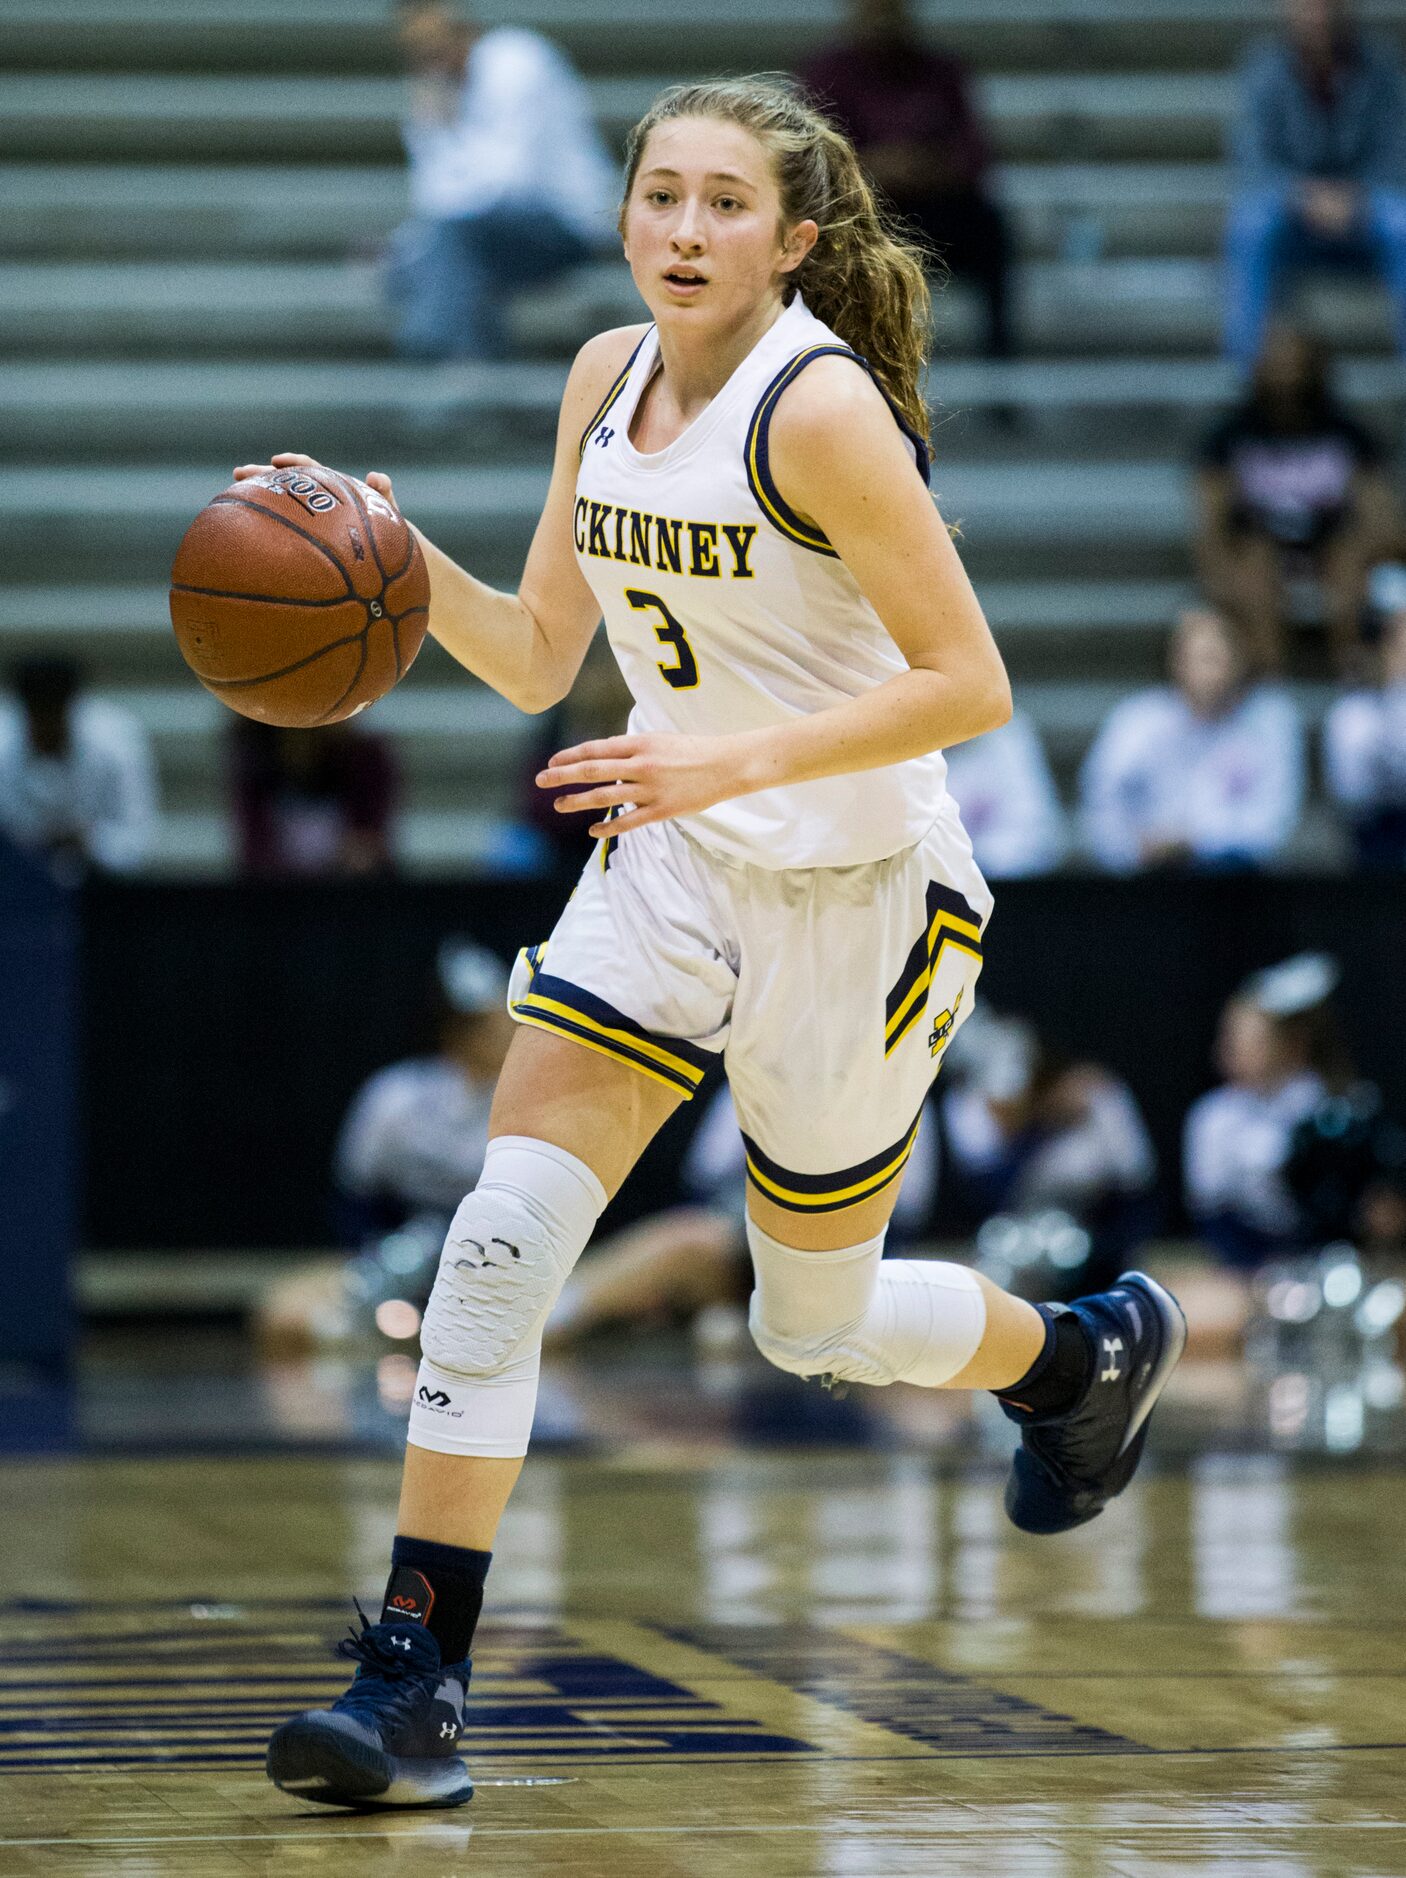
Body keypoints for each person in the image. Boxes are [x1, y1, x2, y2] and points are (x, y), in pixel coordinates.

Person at [237, 75, 1184, 1812]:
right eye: (658, 195)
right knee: (500, 1238)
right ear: (621, 216)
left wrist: (727, 753)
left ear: (795, 239)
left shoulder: (817, 409)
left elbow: (967, 681)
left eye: (724, 204)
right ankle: (413, 1677)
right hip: (668, 863)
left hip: (858, 892)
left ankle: (1078, 1352)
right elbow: (536, 652)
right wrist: (371, 545)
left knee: (808, 1324)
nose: (683, 228)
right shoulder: (602, 376)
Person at [388, 1, 617, 360]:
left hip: (564, 224)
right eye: (420, 51)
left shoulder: (516, 60)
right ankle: (477, 381)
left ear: (462, 26)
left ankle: (431, 358)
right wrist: (434, 125)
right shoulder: (438, 95)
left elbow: (508, 183)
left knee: (445, 253)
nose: (430, 59)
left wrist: (443, 130)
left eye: (436, 44)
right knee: (410, 260)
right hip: (491, 233)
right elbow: (433, 200)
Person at [799, 0, 1014, 357]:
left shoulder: (943, 71)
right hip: (864, 213)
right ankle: (831, 353)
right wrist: (876, 167)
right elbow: (813, 155)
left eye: (891, 8)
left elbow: (974, 154)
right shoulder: (828, 71)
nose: (882, 18)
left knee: (991, 226)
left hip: (939, 208)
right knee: (819, 228)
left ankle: (1001, 359)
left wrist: (923, 167)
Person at [1195, 323, 1400, 671]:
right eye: (1278, 364)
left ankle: (1356, 673)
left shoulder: (1350, 436)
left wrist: (1366, 552)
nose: (1288, 377)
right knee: (1252, 564)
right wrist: (1219, 574)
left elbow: (1384, 524)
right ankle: (1267, 679)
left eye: (1297, 365)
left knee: (1351, 559)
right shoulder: (1228, 438)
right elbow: (1211, 524)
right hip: (1259, 549)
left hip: (1332, 548)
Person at [1224, 0, 1406, 369]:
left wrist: (1358, 198)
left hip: (1364, 215)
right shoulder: (1263, 68)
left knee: (1401, 222)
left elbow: (1396, 152)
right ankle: (1245, 374)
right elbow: (1253, 159)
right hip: (1292, 216)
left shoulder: (1381, 67)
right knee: (1250, 224)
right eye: (1308, 6)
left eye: (1328, 6)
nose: (1319, 17)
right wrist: (1304, 196)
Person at [939, 1010, 1157, 1294]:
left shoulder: (1094, 1095)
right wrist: (1036, 1125)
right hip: (1019, 1241)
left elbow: (1135, 1183)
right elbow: (994, 1198)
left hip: (1095, 1235)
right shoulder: (971, 1111)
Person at [1079, 606, 1305, 872]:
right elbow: (1100, 806)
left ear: (1240, 661)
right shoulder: (1136, 721)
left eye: (1216, 658)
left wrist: (1194, 841)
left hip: (1242, 884)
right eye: (1198, 659)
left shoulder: (1271, 719)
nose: (1208, 673)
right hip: (1150, 878)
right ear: (1176, 662)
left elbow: (1272, 824)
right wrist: (1132, 847)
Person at [1184, 953, 1349, 1270]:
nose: (1230, 1052)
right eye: (1229, 1039)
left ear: (1292, 1045)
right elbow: (1211, 1212)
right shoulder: (1212, 1116)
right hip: (1245, 1260)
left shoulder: (1328, 1105)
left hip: (1323, 1256)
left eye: (1251, 1041)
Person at [0, 655, 157, 879]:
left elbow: (136, 840)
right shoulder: (3, 745)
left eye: (53, 715)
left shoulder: (117, 743)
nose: (46, 728)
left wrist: (90, 842)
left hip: (101, 885)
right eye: (39, 717)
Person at [229, 717, 399, 878]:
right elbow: (255, 851)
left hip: (350, 889)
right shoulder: (254, 762)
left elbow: (368, 844)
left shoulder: (366, 760)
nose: (302, 737)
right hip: (276, 893)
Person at [1323, 570, 1406, 865]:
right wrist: (1392, 687)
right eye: (1395, 631)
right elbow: (1352, 792)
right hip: (1378, 843)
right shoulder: (1352, 709)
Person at [941, 709, 1068, 877]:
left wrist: (970, 867)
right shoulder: (903, 740)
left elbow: (1035, 830)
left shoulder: (1007, 733)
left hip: (997, 881)